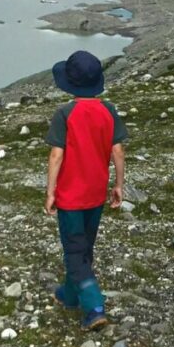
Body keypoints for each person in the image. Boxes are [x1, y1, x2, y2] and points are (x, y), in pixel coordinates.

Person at [45, 50, 128, 331]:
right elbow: (117, 150)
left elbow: (56, 156)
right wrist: (118, 184)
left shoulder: (65, 113)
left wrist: (50, 191)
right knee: (83, 246)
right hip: (95, 194)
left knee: (73, 249)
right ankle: (69, 294)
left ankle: (93, 306)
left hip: (71, 196)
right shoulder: (108, 110)